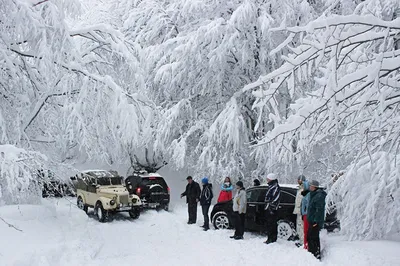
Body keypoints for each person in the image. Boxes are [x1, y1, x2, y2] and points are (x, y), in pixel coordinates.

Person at [307, 180, 327, 260]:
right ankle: (312, 252)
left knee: (313, 238)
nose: (309, 187)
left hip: (315, 221)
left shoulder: (319, 196)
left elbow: (319, 210)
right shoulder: (314, 194)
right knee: (311, 237)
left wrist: (316, 221)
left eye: (310, 186)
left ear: (314, 187)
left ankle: (315, 254)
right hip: (312, 220)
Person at [264, 173, 281, 244]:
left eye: (268, 179)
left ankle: (272, 238)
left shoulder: (275, 187)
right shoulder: (271, 186)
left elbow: (276, 198)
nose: (267, 180)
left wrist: (271, 206)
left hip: (272, 209)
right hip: (269, 208)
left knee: (272, 224)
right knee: (269, 224)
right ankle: (270, 237)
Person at [293, 175, 309, 247]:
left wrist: (303, 210)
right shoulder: (300, 188)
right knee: (299, 226)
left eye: (298, 180)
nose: (297, 181)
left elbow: (304, 201)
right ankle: (301, 240)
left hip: (302, 211)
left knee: (302, 226)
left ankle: (303, 242)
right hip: (299, 210)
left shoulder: (304, 189)